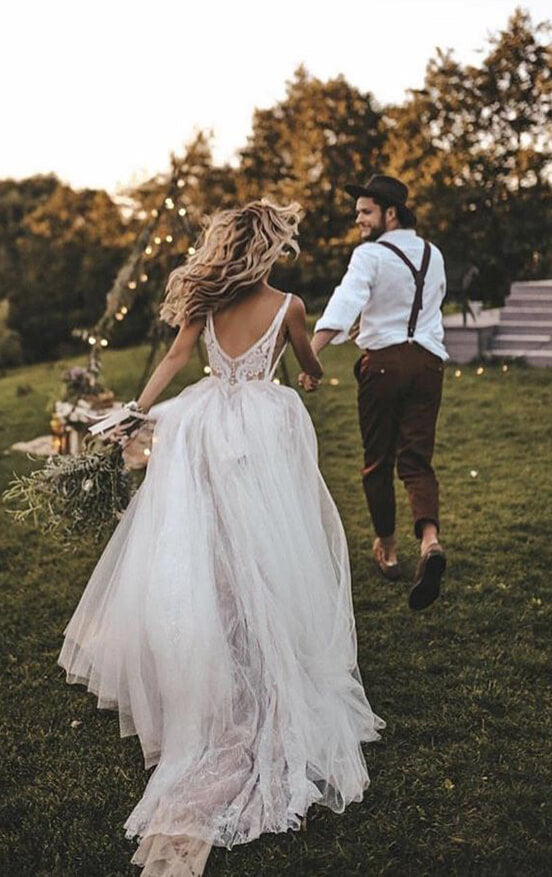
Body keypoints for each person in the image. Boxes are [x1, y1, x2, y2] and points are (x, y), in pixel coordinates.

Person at [58, 199, 384, 876]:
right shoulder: (291, 306)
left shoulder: (204, 305)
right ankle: (265, 655)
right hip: (265, 431)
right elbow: (305, 372)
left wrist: (137, 412)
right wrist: (318, 373)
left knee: (211, 543)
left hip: (204, 427)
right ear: (269, 248)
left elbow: (178, 357)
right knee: (270, 542)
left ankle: (224, 641)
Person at [305, 175, 448, 611]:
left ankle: (387, 547)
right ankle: (430, 541)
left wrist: (311, 356)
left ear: (391, 213)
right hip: (428, 364)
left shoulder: (369, 255)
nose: (359, 220)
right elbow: (430, 304)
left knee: (377, 461)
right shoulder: (433, 253)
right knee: (417, 459)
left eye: (365, 212)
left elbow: (345, 301)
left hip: (383, 365)